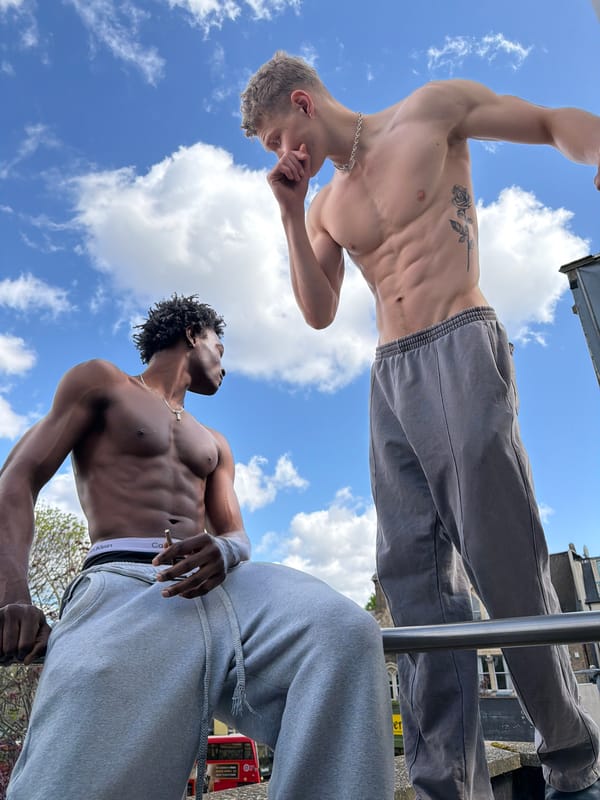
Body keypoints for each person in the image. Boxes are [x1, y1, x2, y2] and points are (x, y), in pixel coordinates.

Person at [240, 51, 600, 800]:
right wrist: (286, 210)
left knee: (504, 559)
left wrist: (597, 148)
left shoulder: (429, 112)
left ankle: (572, 764)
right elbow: (316, 312)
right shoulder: (325, 204)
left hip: (460, 336)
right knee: (410, 580)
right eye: (270, 151)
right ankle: (449, 788)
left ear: (304, 103)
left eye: (278, 138)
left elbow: (543, 120)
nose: (282, 157)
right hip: (389, 373)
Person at [0, 294, 395, 800]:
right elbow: (17, 479)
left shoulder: (215, 443)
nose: (225, 366)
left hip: (223, 583)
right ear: (193, 333)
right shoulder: (101, 382)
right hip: (123, 577)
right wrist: (14, 594)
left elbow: (236, 534)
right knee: (72, 769)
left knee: (343, 631)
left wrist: (225, 551)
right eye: (220, 347)